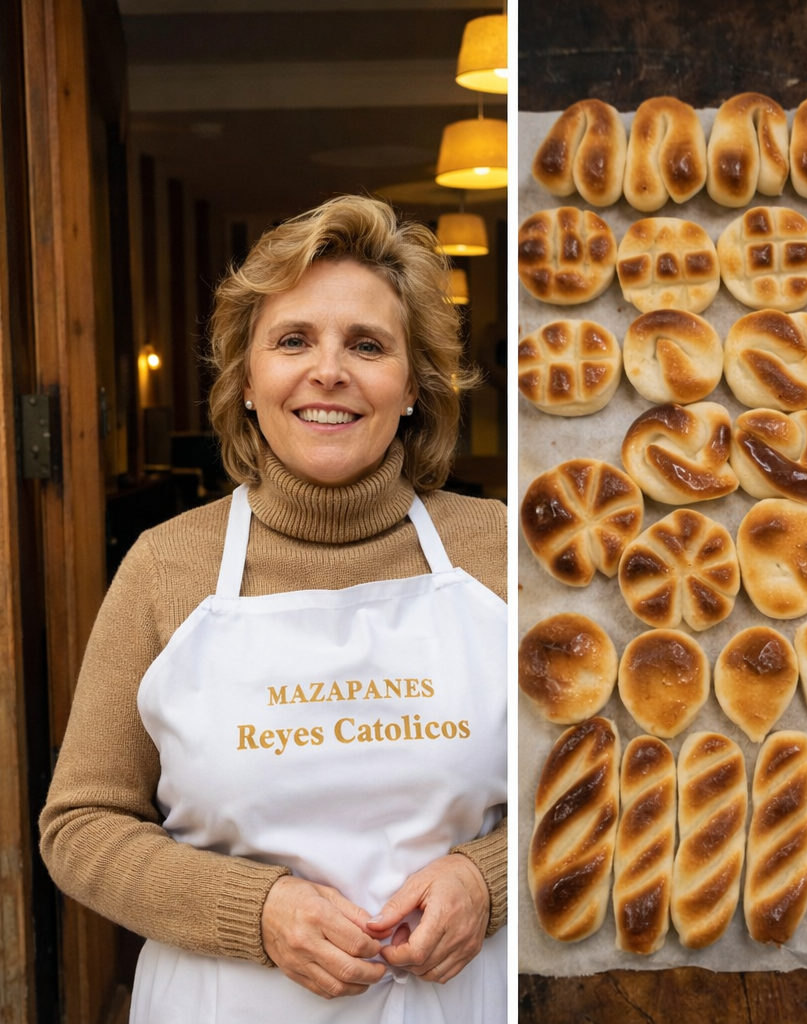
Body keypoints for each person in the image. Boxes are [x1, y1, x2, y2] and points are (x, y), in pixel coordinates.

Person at [39, 196, 508, 1020]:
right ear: (248, 383)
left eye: (367, 345)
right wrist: (255, 912)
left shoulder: (500, 551)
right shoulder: (163, 567)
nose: (329, 371)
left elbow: (607, 788)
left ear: (412, 389)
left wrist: (488, 880)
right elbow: (81, 825)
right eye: (293, 341)